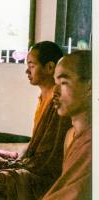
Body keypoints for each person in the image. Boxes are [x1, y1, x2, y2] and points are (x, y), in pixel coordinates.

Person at [0, 41, 72, 200]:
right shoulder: (42, 98)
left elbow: (49, 157)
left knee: (3, 179)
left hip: (44, 172)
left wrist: (21, 164)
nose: (27, 70)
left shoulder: (58, 103)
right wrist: (21, 159)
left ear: (50, 67)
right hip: (32, 159)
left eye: (32, 65)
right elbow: (35, 144)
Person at [42, 50, 92, 200]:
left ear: (90, 87)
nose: (54, 92)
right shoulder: (71, 135)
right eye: (55, 83)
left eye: (63, 83)